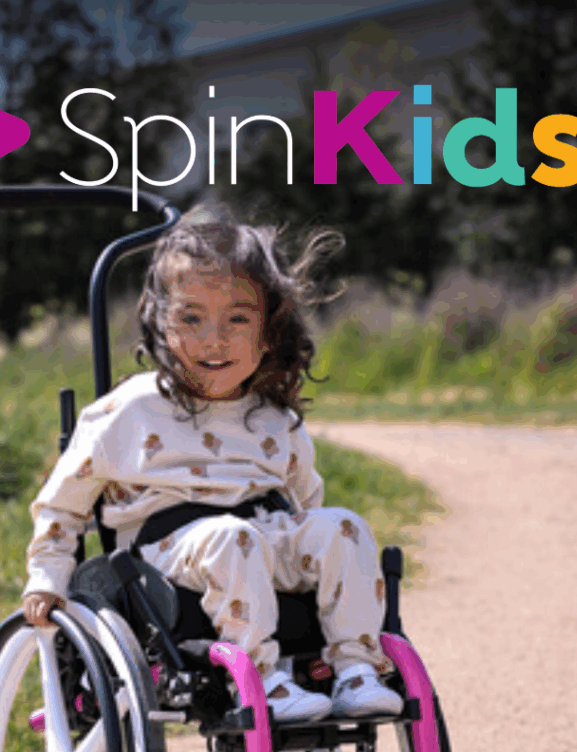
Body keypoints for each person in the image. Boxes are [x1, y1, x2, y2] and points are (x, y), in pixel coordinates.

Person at [22, 204, 403, 723]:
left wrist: (321, 549)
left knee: (343, 526)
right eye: (191, 318)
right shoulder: (130, 411)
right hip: (163, 560)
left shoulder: (275, 419)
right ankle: (263, 678)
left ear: (267, 333)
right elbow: (62, 504)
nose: (214, 339)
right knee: (231, 538)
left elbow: (305, 504)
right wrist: (47, 577)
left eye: (237, 320)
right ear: (161, 322)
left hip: (259, 540)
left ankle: (354, 669)